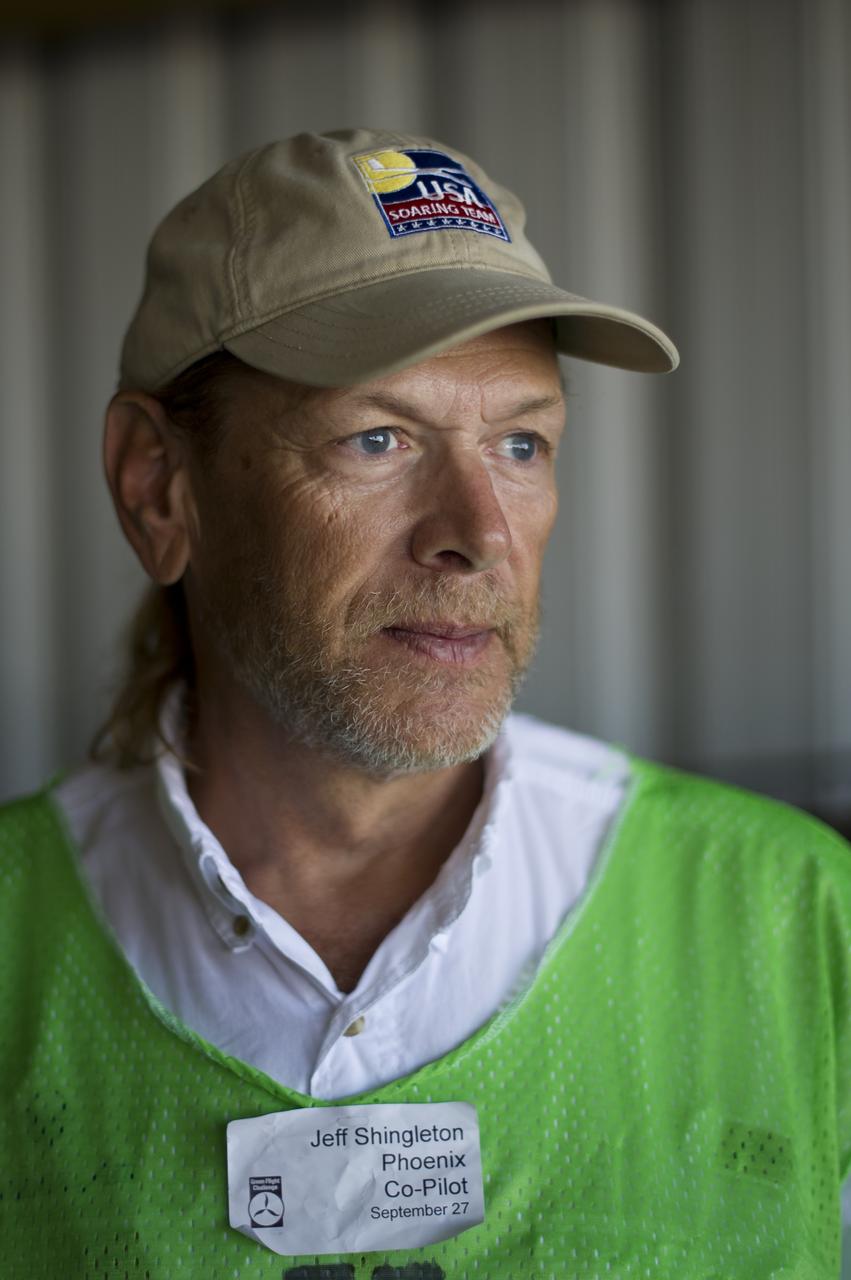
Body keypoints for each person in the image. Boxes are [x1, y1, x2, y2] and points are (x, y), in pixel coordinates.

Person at [1, 128, 849, 1280]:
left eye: (518, 441)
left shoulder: (793, 920)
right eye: (376, 436)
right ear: (159, 487)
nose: (478, 533)